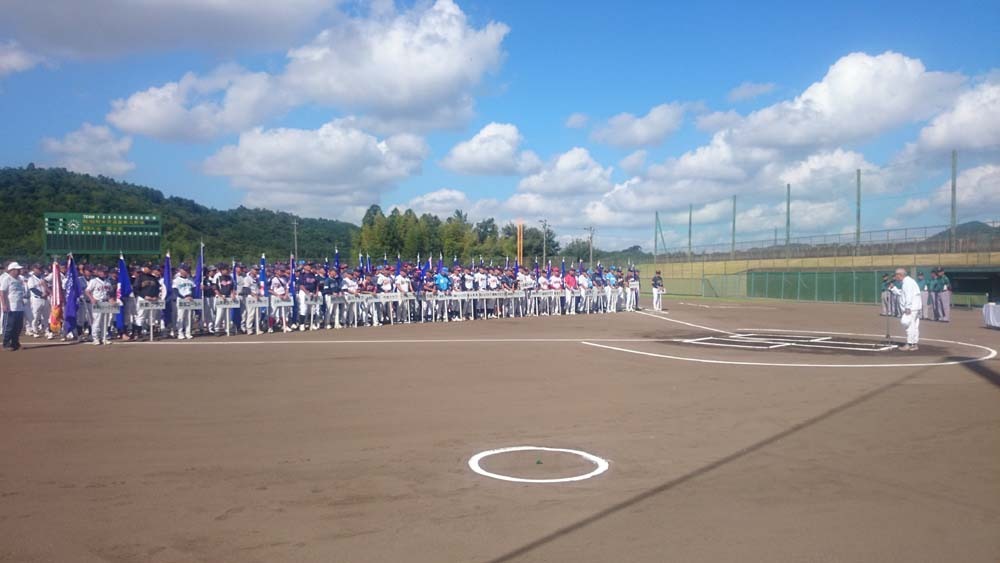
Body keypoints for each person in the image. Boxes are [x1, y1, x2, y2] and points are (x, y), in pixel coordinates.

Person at [889, 267, 922, 351]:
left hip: (911, 308)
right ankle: (914, 344)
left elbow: (908, 296)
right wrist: (893, 288)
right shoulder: (908, 282)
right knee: (914, 326)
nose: (895, 277)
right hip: (914, 307)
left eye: (896, 275)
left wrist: (907, 307)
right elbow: (902, 294)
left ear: (900, 275)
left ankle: (909, 343)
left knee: (907, 324)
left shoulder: (907, 282)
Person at [85, 265, 116, 346]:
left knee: (105, 321)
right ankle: (95, 338)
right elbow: (87, 291)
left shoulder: (108, 281)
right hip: (98, 302)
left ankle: (104, 337)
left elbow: (110, 292)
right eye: (102, 271)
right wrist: (92, 298)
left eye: (105, 271)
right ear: (98, 272)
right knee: (97, 320)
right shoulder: (94, 281)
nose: (104, 273)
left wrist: (111, 299)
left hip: (106, 302)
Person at [0, 262, 27, 351]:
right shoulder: (6, 279)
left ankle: (15, 343)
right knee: (9, 326)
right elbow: (2, 292)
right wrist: (4, 305)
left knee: (18, 326)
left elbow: (20, 292)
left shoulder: (19, 279)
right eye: (17, 269)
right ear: (12, 270)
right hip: (11, 307)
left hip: (19, 306)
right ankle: (6, 344)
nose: (19, 271)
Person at [26, 263, 52, 338]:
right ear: (34, 269)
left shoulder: (43, 277)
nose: (39, 270)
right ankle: (35, 330)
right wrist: (41, 294)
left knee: (46, 316)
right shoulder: (31, 278)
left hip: (45, 299)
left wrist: (47, 293)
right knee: (35, 316)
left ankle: (47, 331)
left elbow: (48, 286)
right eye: (37, 268)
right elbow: (32, 289)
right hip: (36, 299)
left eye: (40, 268)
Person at [173, 266, 197, 339]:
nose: (186, 271)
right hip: (181, 299)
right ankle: (180, 333)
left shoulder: (190, 279)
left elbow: (193, 289)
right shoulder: (177, 280)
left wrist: (191, 296)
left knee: (189, 317)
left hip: (189, 299)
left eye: (187, 270)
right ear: (181, 270)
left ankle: (188, 332)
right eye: (185, 270)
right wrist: (184, 297)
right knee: (181, 316)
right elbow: (175, 291)